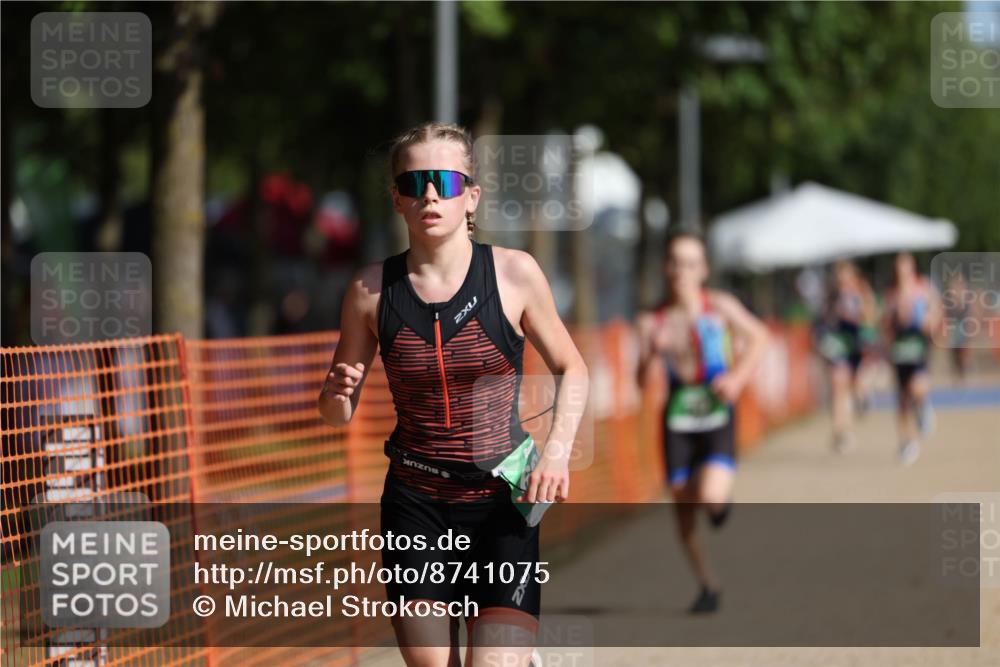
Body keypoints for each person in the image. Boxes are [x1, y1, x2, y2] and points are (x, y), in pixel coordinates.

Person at [318, 121, 589, 667]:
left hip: (502, 501)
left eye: (444, 181)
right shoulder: (370, 291)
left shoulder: (514, 274)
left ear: (472, 196)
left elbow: (572, 368)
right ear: (397, 198)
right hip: (416, 503)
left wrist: (557, 454)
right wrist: (335, 392)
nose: (430, 195)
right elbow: (336, 413)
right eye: (413, 183)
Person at [636, 230, 769, 614]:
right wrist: (651, 354)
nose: (682, 271)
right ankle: (708, 583)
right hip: (677, 419)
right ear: (665, 268)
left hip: (715, 412)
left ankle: (717, 503)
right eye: (676, 263)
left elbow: (760, 337)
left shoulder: (720, 307)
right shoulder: (652, 321)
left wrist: (738, 378)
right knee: (681, 509)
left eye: (691, 263)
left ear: (704, 269)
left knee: (709, 495)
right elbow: (640, 383)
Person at [882, 252, 941, 466]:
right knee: (902, 401)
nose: (902, 271)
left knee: (918, 387)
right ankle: (906, 442)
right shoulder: (891, 294)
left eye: (905, 266)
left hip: (918, 348)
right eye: (899, 267)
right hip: (899, 352)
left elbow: (937, 314)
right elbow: (885, 325)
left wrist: (929, 321)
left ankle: (923, 408)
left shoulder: (924, 288)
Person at [816, 261, 879, 452]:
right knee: (838, 385)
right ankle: (840, 431)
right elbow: (823, 321)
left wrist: (857, 311)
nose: (842, 282)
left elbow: (871, 317)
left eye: (846, 278)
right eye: (839, 279)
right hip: (839, 345)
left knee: (855, 386)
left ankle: (862, 398)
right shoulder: (832, 296)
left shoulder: (862, 292)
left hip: (859, 344)